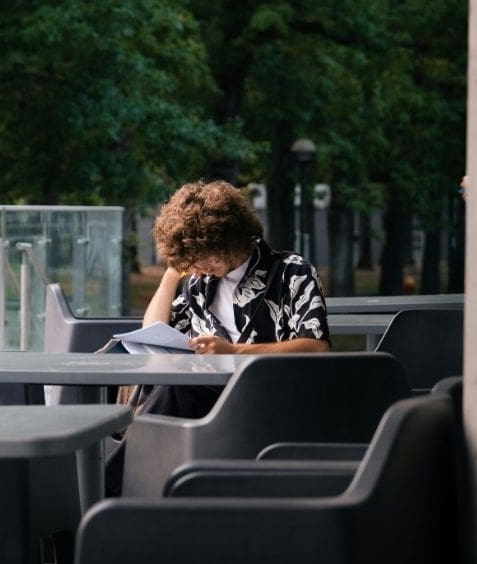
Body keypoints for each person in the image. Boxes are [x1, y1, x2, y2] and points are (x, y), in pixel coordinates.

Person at [105, 179, 329, 495]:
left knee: (169, 398)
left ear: (227, 239)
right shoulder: (200, 284)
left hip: (271, 396)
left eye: (201, 255)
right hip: (208, 400)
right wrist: (172, 273)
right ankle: (122, 496)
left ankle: (104, 496)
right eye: (190, 259)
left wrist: (234, 352)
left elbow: (316, 347)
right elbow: (153, 332)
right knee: (167, 395)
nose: (196, 265)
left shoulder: (292, 272)